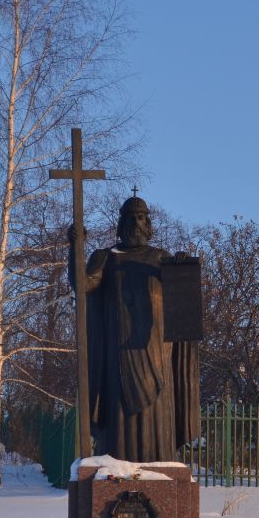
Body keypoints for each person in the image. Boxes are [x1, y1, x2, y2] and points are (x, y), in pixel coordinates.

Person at [69, 195, 199, 462]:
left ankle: (159, 467)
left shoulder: (161, 257)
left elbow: (182, 303)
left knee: (158, 420)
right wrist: (75, 246)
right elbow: (82, 285)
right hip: (118, 356)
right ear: (121, 223)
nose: (136, 223)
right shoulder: (106, 258)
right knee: (118, 427)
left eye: (141, 217)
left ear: (148, 224)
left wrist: (182, 269)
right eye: (131, 217)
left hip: (157, 354)